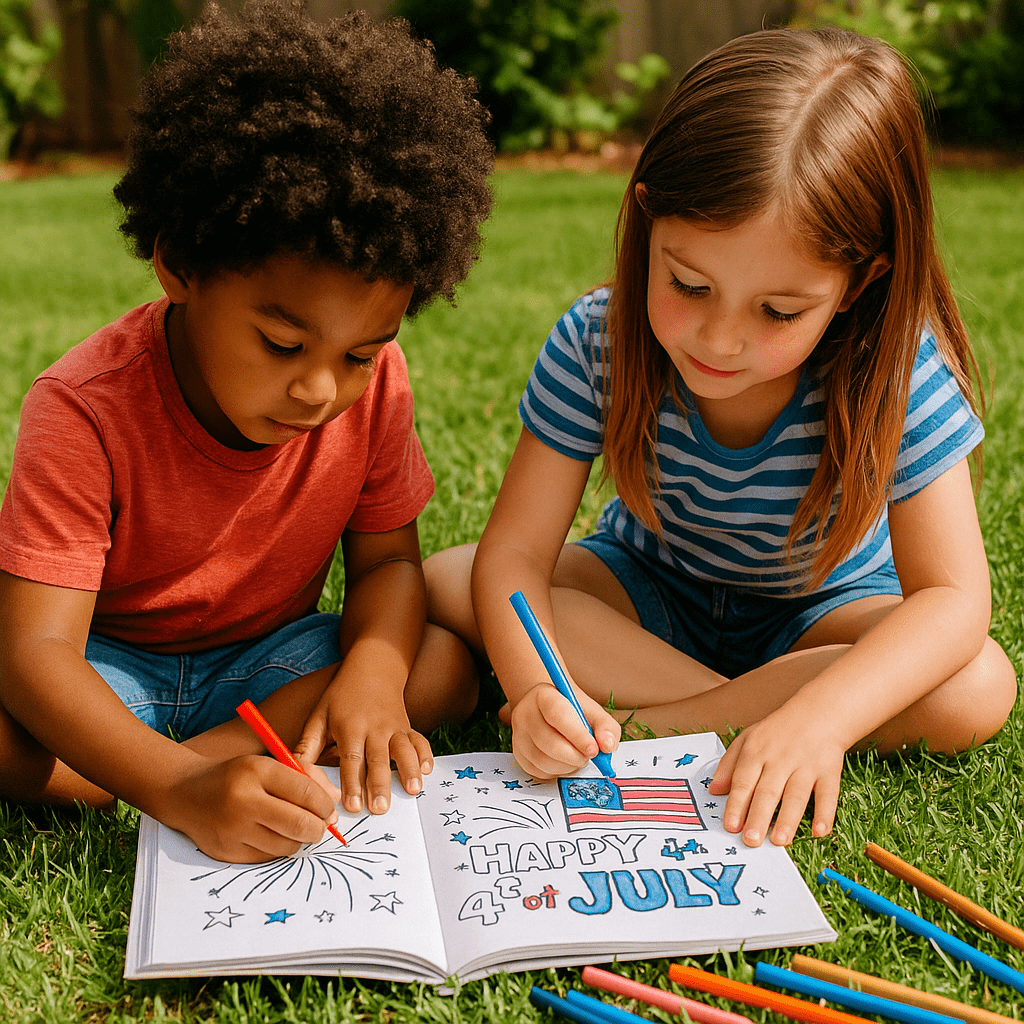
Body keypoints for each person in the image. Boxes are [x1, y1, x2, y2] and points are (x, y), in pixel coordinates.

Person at [425, 27, 1017, 849]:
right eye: (689, 284)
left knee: (978, 684)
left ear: (860, 281)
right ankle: (727, 710)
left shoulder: (898, 367)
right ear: (647, 218)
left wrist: (821, 715)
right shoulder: (597, 339)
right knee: (453, 578)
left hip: (822, 617)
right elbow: (517, 557)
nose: (720, 339)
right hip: (649, 591)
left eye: (779, 311)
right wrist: (533, 691)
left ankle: (659, 725)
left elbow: (953, 603)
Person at [0, 0, 493, 863]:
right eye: (282, 343)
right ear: (180, 264)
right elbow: (38, 654)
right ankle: (191, 770)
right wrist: (179, 792)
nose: (318, 389)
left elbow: (389, 566)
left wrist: (373, 680)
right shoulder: (83, 407)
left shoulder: (374, 391)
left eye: (360, 354)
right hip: (109, 673)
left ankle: (182, 765)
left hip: (273, 664)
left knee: (440, 665)